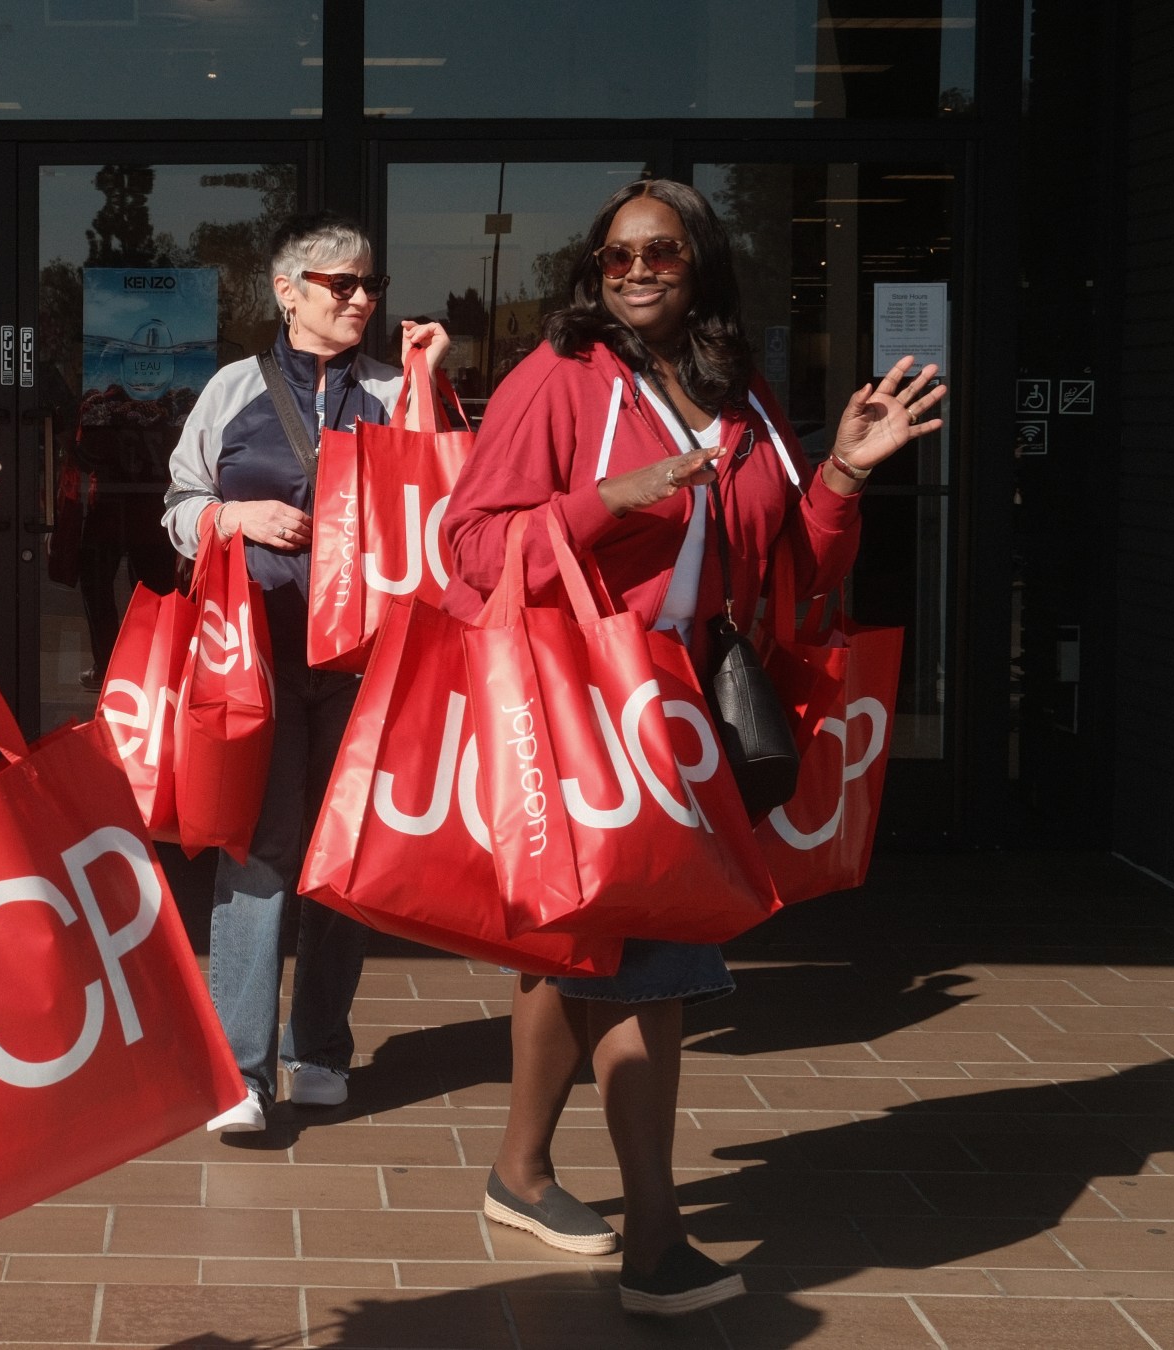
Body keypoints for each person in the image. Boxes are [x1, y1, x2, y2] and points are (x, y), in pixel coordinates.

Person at [439, 179, 945, 1315]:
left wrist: (844, 475)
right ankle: (657, 1238)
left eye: (661, 251)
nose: (635, 271)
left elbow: (792, 566)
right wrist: (607, 500)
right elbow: (470, 546)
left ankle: (520, 1173)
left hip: (691, 703)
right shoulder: (557, 380)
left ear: (701, 265)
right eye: (615, 255)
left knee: (587, 946)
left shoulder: (741, 392)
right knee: (649, 964)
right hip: (588, 697)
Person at [162, 214, 450, 1134]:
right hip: (263, 657)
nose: (362, 299)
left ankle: (319, 1046)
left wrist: (429, 386)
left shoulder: (396, 388)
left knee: (344, 857)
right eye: (341, 285)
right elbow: (179, 503)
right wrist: (233, 519)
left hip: (370, 660)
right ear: (288, 292)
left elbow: (444, 500)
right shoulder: (233, 390)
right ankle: (239, 1072)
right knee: (259, 849)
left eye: (370, 285)